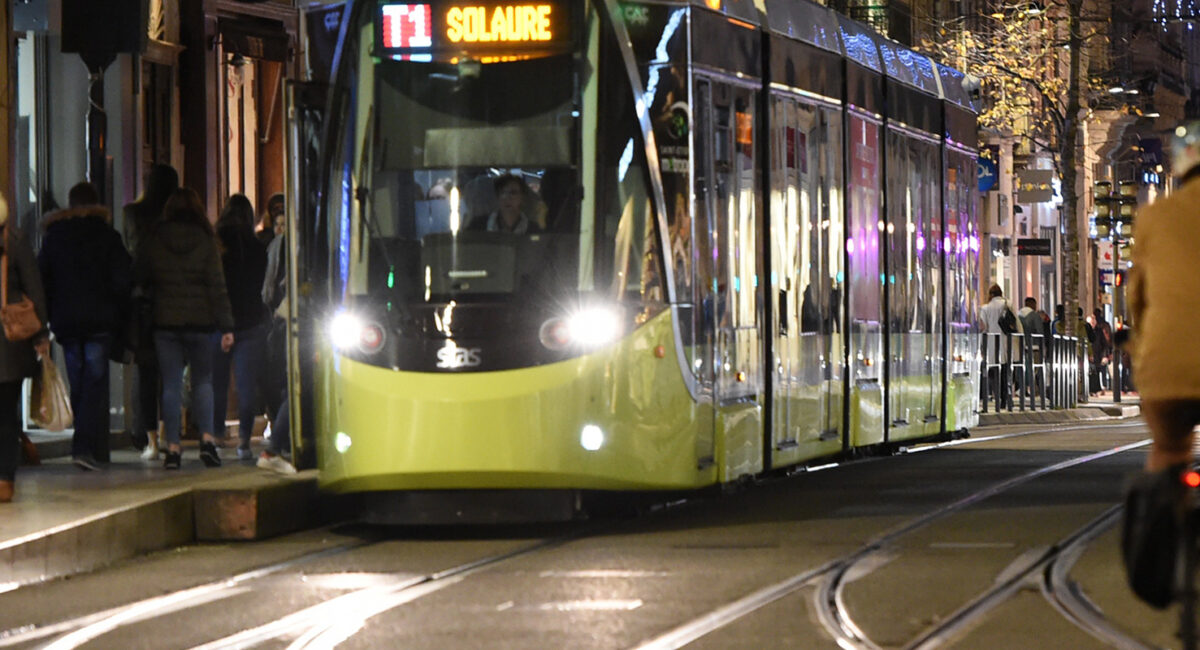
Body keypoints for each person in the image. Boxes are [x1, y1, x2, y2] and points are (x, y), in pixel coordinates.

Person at [1121, 121, 1200, 608]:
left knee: (1169, 449)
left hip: (1167, 370)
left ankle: (1159, 552)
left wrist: (1139, 346)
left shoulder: (1155, 216)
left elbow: (1137, 299)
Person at [133, 188, 234, 470]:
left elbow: (140, 275)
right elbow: (217, 286)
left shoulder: (155, 239)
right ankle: (207, 441)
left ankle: (173, 448)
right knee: (203, 382)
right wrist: (226, 325)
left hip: (165, 322)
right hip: (201, 322)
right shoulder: (206, 240)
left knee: (171, 385)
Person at [37, 182, 132, 470]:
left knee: (79, 382)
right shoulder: (107, 236)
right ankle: (86, 446)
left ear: (70, 204)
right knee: (94, 382)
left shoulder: (54, 236)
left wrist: (49, 314)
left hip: (66, 321)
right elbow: (123, 279)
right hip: (99, 320)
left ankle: (86, 444)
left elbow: (43, 279)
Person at [123, 164, 179, 459]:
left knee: (145, 372)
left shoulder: (133, 214)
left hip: (143, 302)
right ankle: (170, 435)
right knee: (171, 374)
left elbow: (132, 252)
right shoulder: (177, 218)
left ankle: (150, 440)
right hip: (174, 301)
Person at [211, 195, 268, 460]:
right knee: (246, 386)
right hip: (250, 322)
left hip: (220, 323)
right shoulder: (257, 248)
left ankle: (216, 434)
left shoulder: (216, 245)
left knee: (217, 384)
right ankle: (244, 441)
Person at [0, 193, 48, 502]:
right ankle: (4, 480)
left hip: (9, 344)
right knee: (6, 414)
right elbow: (35, 289)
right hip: (11, 340)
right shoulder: (15, 241)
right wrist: (40, 334)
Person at [258, 199, 295, 474]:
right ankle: (274, 447)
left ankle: (279, 445)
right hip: (290, 319)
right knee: (297, 386)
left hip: (279, 320)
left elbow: (267, 292)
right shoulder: (287, 245)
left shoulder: (275, 246)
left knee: (287, 385)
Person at [979, 284, 1021, 408]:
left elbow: (983, 327)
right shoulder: (1008, 304)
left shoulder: (985, 308)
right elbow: (1016, 324)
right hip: (1008, 342)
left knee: (994, 372)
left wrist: (981, 346)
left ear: (991, 295)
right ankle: (1006, 397)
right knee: (1007, 371)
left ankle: (997, 397)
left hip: (992, 344)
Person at [468, 175, 541, 234]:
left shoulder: (534, 230)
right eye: (502, 193)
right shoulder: (477, 226)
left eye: (513, 193)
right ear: (497, 197)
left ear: (522, 197)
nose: (507, 197)